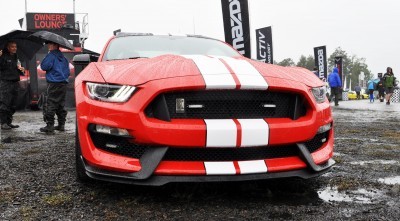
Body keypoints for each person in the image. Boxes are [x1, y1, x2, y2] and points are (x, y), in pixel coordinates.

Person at [39, 41, 70, 133]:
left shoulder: (51, 55)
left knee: (51, 103)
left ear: (55, 45)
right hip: (63, 84)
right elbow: (67, 72)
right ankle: (61, 125)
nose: (49, 46)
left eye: (50, 44)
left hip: (53, 84)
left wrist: (47, 57)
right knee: (60, 104)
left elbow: (44, 66)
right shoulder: (63, 58)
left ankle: (50, 126)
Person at [0, 41, 25, 130]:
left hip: (15, 82)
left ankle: (8, 122)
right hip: (5, 82)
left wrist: (21, 69)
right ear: (7, 47)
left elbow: (18, 69)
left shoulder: (15, 56)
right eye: (12, 47)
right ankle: (3, 123)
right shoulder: (2, 55)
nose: (15, 48)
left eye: (15, 46)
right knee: (5, 103)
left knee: (13, 104)